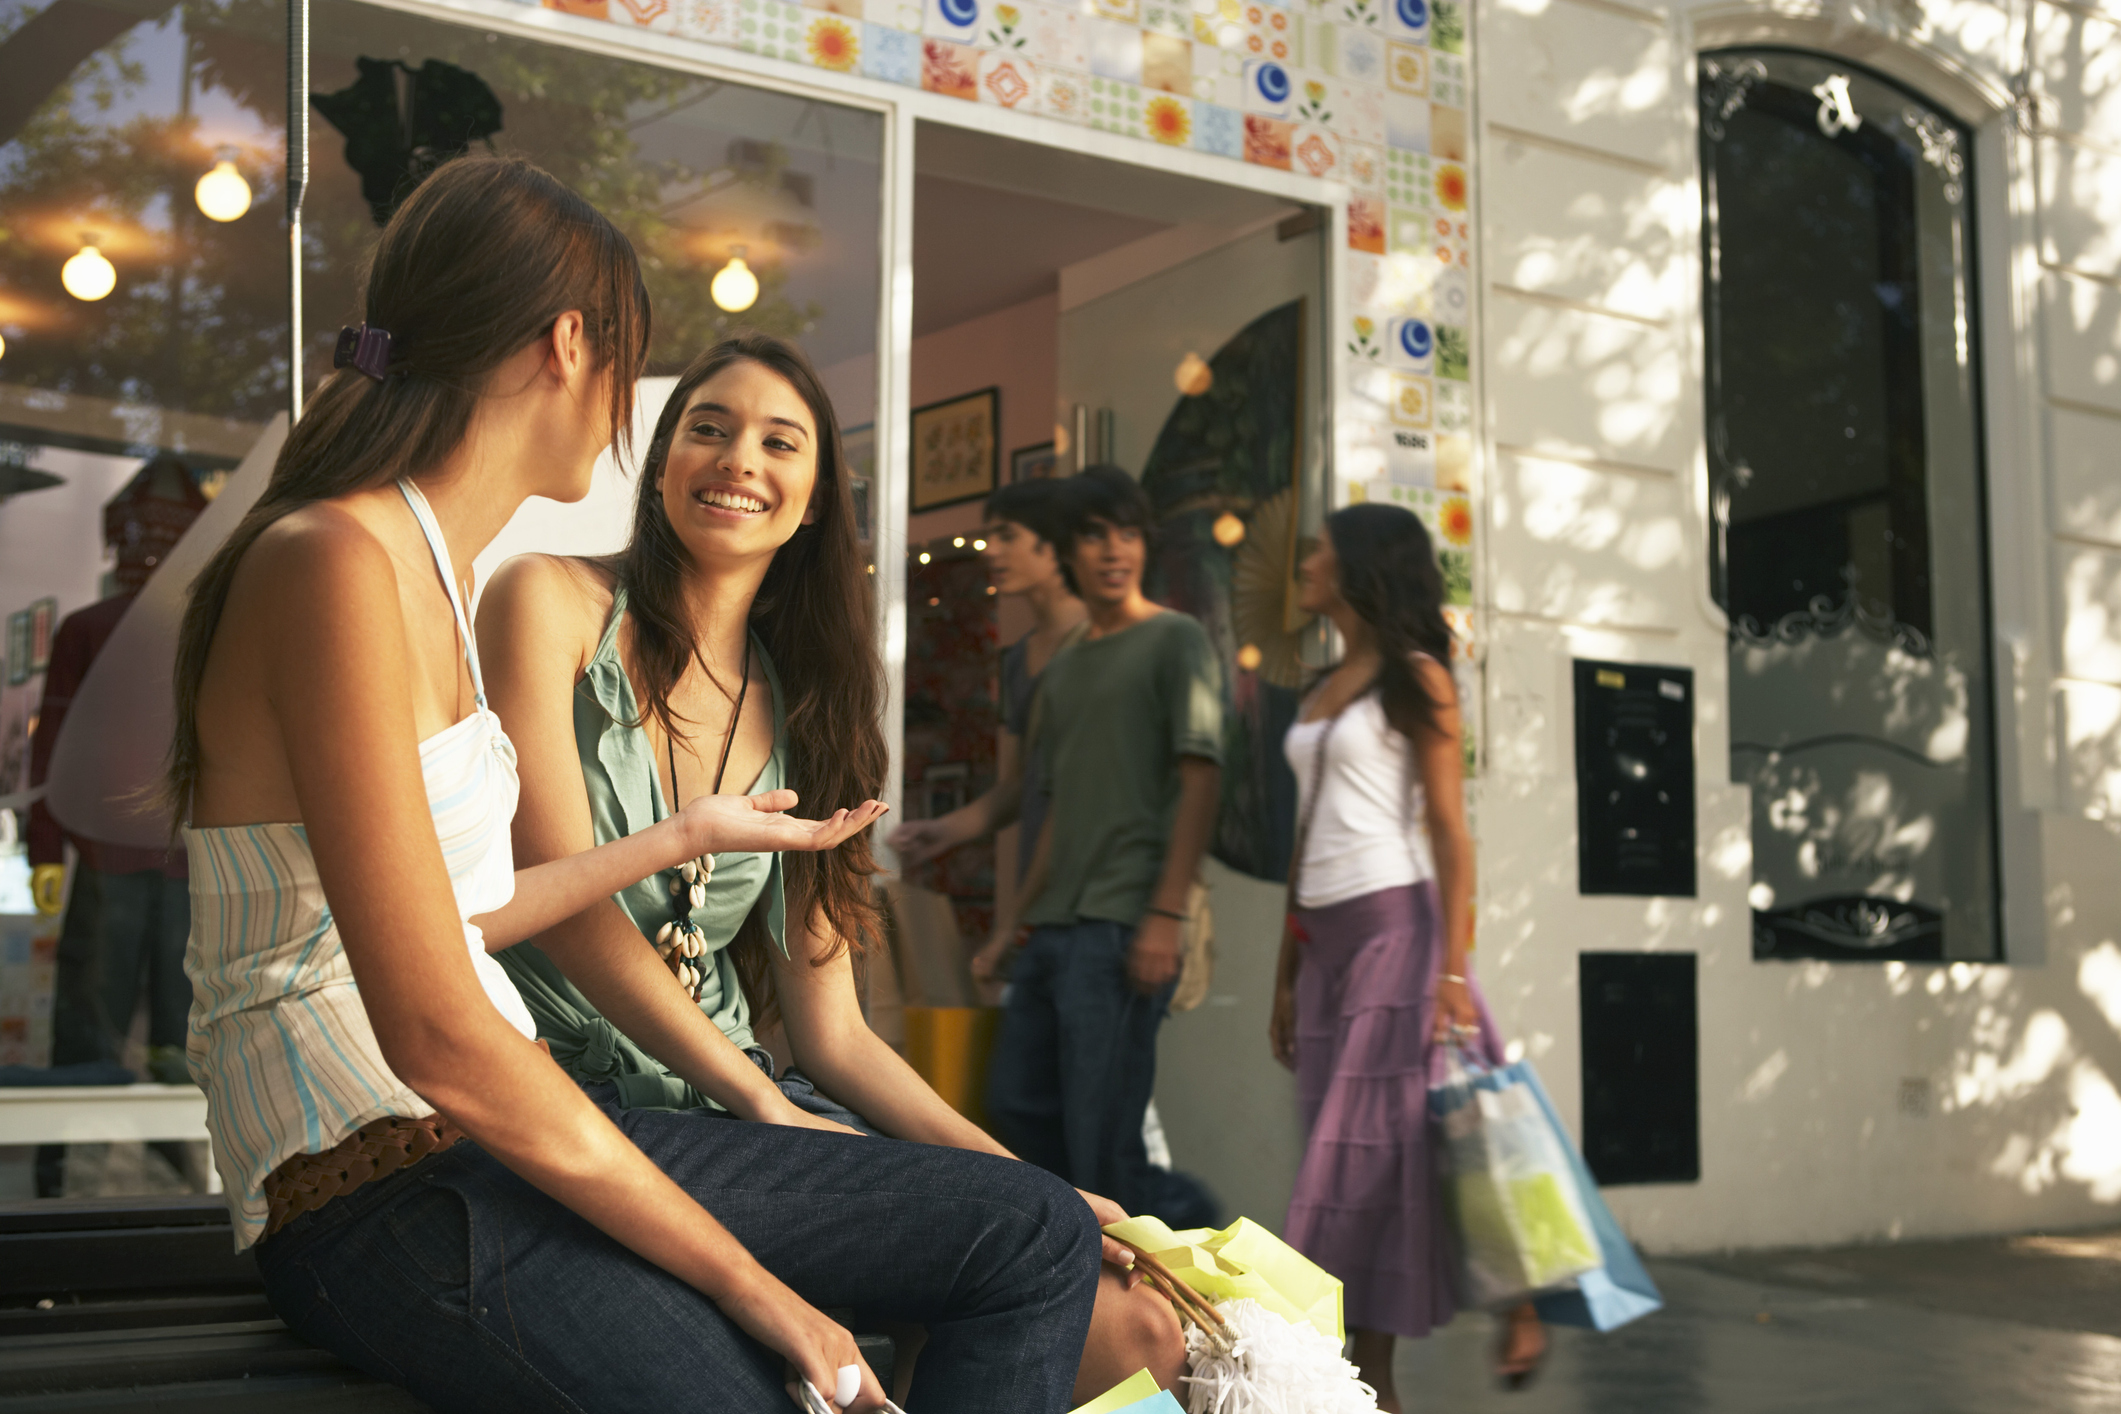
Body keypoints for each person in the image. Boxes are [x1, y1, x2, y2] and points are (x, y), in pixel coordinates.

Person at [172, 156, 1100, 1414]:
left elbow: (459, 918)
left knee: (1038, 1228)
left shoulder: (431, 570)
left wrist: (676, 837)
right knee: (864, 1340)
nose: (644, 410)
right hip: (380, 1179)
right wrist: (755, 1283)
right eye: (642, 369)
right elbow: (436, 1031)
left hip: (480, 1143)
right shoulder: (336, 560)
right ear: (571, 345)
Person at [479, 335, 1184, 1404]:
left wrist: (1042, 1188)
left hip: (744, 1108)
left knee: (1131, 1318)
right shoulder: (546, 598)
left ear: (813, 502)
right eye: (707, 428)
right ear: (662, 462)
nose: (737, 458)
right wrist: (757, 1099)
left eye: (779, 442)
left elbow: (837, 1035)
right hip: (572, 1101)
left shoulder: (810, 706)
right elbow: (562, 903)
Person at [1267, 503, 1546, 1409]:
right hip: (1323, 948)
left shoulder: (1419, 677)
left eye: (1319, 552)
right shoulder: (1320, 685)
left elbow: (1451, 834)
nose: (1305, 564)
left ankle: (1374, 1368)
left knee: (1355, 1162)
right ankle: (1388, 1370)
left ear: (1360, 567)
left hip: (1398, 934)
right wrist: (1283, 973)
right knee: (1367, 1154)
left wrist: (1452, 970)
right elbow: (1305, 838)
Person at [978, 466, 1222, 1221]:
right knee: (1016, 1111)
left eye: (1128, 533)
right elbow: (1056, 811)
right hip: (1052, 927)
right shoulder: (1065, 665)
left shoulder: (1177, 639)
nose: (1114, 550)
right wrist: (1011, 928)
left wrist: (1165, 915)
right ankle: (1105, 1264)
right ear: (1067, 552)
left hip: (1123, 924)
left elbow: (1200, 782)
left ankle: (1191, 1251)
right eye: (1093, 535)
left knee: (1103, 1144)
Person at [29, 455, 207, 1195]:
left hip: (169, 858)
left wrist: (45, 848)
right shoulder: (105, 631)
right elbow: (54, 749)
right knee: (140, 1028)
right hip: (148, 859)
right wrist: (44, 848)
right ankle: (74, 1176)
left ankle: (81, 1179)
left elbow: (52, 748)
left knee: (141, 1027)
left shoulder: (199, 633)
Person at [887, 477, 1085, 886]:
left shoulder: (1104, 644)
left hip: (1107, 883)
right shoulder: (1017, 659)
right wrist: (944, 830)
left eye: (1007, 536)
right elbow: (1017, 784)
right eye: (990, 536)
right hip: (1045, 888)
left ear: (1054, 544)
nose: (991, 549)